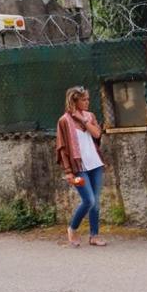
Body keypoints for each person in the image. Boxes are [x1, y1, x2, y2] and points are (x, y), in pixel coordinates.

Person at [56, 86, 107, 247]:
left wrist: (83, 119)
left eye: (88, 99)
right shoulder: (64, 121)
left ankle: (94, 236)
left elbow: (97, 134)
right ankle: (72, 228)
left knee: (96, 201)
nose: (87, 102)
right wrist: (68, 172)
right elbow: (62, 149)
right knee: (88, 200)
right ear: (74, 101)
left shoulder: (89, 116)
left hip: (95, 165)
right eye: (83, 99)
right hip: (78, 169)